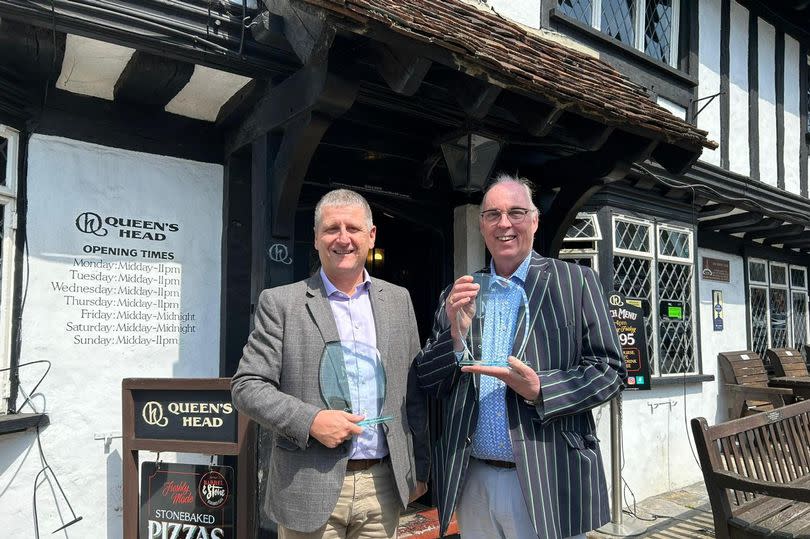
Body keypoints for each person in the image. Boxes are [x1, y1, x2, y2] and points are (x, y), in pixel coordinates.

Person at [415, 174, 625, 539]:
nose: (504, 224)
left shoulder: (576, 282)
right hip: (473, 478)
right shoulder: (459, 292)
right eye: (493, 214)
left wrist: (542, 388)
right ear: (481, 225)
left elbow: (610, 371)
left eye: (515, 212)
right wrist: (454, 336)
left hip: (547, 476)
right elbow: (429, 380)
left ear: (535, 220)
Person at [232, 189, 428, 538]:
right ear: (316, 238)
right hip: (307, 484)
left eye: (352, 228)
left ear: (371, 236)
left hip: (383, 485)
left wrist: (419, 468)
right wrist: (311, 420)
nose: (342, 238)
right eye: (331, 229)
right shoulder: (281, 303)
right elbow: (247, 386)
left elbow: (411, 393)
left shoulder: (399, 300)